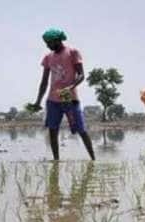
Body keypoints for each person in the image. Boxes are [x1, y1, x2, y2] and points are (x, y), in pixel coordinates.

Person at [29, 28, 95, 161]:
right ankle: (56, 161)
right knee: (53, 131)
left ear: (57, 40)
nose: (47, 46)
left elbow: (81, 75)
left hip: (70, 99)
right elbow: (44, 82)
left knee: (81, 130)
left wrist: (71, 87)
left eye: (49, 42)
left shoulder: (72, 53)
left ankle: (93, 159)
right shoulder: (48, 58)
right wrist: (37, 101)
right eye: (46, 43)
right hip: (53, 101)